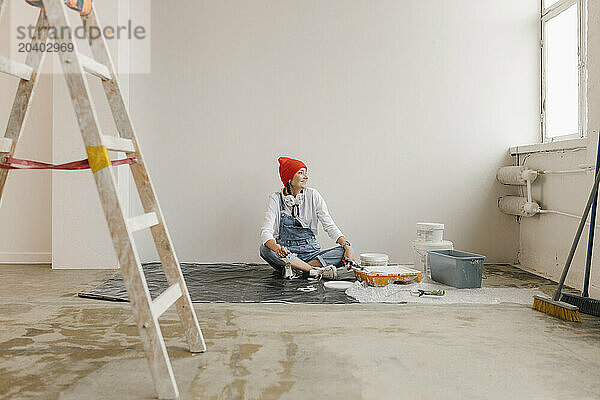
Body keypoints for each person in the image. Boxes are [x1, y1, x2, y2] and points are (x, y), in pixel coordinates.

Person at [260, 156, 355, 280]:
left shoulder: (313, 195)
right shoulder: (275, 199)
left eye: (306, 173)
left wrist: (347, 246)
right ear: (289, 178)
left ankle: (298, 269)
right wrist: (277, 248)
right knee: (265, 249)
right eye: (301, 173)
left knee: (343, 252)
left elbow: (329, 225)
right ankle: (312, 271)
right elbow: (266, 231)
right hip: (287, 253)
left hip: (311, 252)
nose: (306, 177)